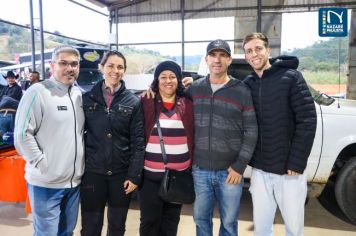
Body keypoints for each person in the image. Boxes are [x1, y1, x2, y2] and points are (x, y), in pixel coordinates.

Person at [144, 39, 258, 236]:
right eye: (213, 55)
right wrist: (152, 88)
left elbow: (252, 130)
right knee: (201, 220)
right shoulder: (194, 89)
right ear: (206, 59)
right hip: (199, 171)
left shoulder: (241, 91)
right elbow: (169, 91)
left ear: (229, 60)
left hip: (230, 172)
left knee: (229, 223)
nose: (217, 60)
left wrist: (239, 166)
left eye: (223, 55)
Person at [242, 32, 317, 236]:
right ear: (246, 56)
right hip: (260, 170)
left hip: (288, 171)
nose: (254, 54)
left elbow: (307, 120)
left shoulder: (291, 77)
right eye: (249, 51)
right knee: (262, 228)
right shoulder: (248, 83)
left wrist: (296, 161)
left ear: (268, 51)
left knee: (293, 228)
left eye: (258, 48)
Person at [14, 45, 85, 236]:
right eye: (63, 63)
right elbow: (21, 135)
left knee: (66, 232)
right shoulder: (38, 92)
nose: (70, 68)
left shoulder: (78, 95)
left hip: (73, 184)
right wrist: (43, 164)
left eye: (74, 64)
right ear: (52, 65)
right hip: (46, 184)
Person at [80, 50, 145, 236]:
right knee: (90, 227)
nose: (115, 71)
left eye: (120, 67)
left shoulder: (133, 102)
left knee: (117, 227)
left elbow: (138, 141)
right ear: (101, 68)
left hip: (121, 175)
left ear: (124, 71)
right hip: (93, 174)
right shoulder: (87, 99)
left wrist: (134, 176)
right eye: (110, 66)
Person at [139, 61, 194, 236]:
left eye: (172, 77)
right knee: (149, 221)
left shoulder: (188, 103)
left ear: (179, 80)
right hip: (150, 177)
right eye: (163, 77)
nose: (168, 81)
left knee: (171, 223)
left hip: (178, 177)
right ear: (156, 80)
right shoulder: (146, 101)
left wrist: (194, 83)